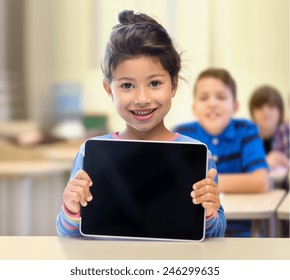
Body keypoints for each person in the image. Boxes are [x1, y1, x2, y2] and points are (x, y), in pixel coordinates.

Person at [56, 10, 226, 238]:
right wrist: (71, 208)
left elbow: (216, 233)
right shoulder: (90, 153)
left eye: (155, 83)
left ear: (173, 85)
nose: (142, 98)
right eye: (127, 86)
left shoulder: (200, 156)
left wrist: (209, 213)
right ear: (109, 90)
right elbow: (68, 234)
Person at [173, 68, 269, 237]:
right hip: (194, 233)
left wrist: (207, 186)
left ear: (235, 106)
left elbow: (261, 181)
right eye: (204, 98)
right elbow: (174, 187)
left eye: (221, 97)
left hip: (243, 234)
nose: (212, 103)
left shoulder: (246, 130)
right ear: (195, 108)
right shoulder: (183, 134)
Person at [249, 85, 289, 190]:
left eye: (271, 107)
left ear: (280, 111)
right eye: (259, 107)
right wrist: (264, 163)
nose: (265, 112)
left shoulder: (287, 132)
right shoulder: (246, 136)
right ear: (252, 112)